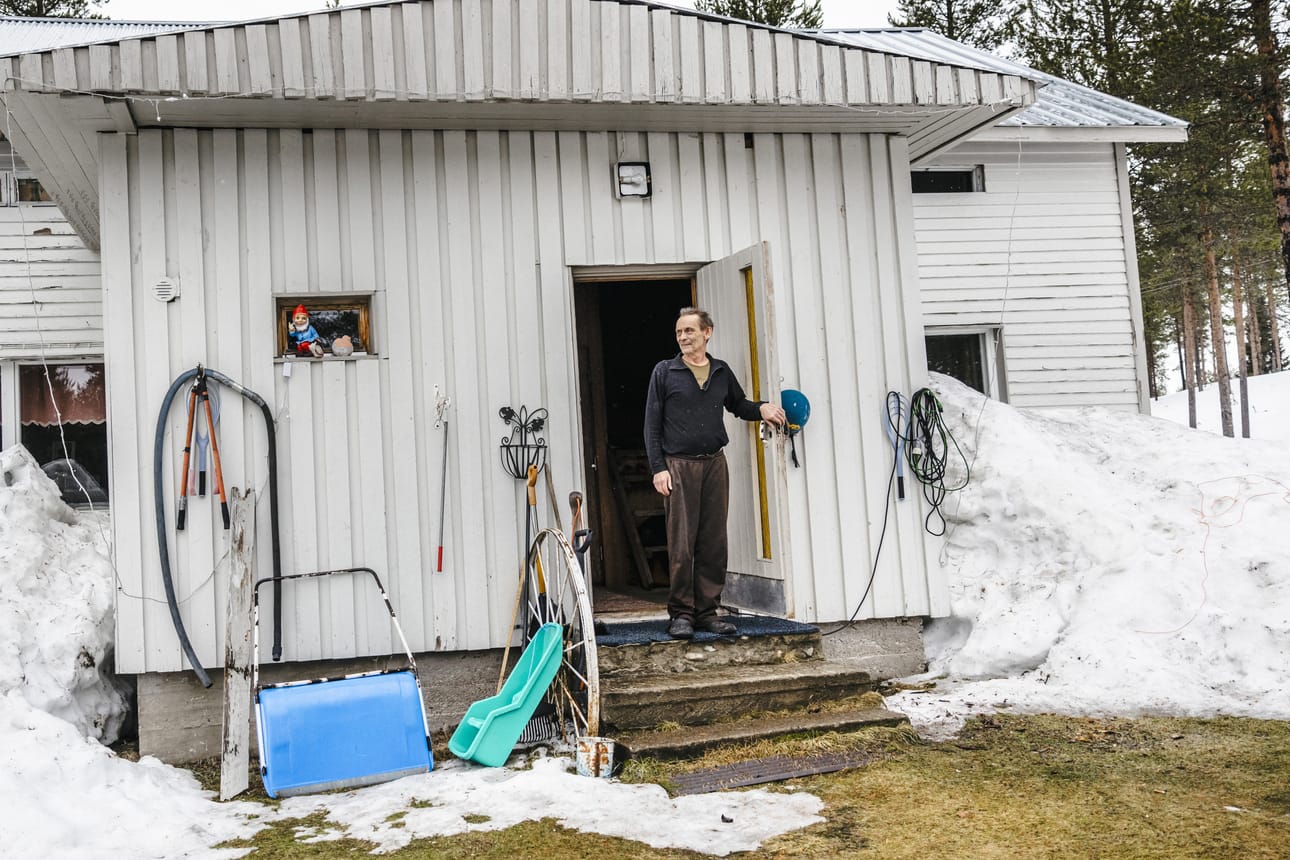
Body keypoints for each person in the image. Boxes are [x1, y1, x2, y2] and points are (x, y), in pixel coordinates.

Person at [644, 307, 786, 639]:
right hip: (678, 466)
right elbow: (651, 425)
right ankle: (681, 614)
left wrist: (761, 408)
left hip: (714, 464)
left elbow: (738, 405)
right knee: (682, 543)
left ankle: (707, 612)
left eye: (689, 331)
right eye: (679, 332)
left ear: (707, 332)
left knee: (713, 541)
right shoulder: (665, 372)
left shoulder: (720, 371)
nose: (683, 337)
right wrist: (658, 469)